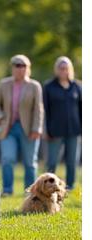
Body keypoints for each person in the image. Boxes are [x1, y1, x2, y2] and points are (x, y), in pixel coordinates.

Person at [0, 54, 44, 196]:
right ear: (12, 68)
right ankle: (7, 190)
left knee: (29, 162)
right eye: (17, 65)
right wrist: (0, 117)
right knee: (7, 158)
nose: (20, 68)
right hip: (8, 128)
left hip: (28, 128)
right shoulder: (4, 84)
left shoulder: (34, 86)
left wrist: (37, 128)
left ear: (28, 68)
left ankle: (30, 191)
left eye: (23, 66)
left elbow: (39, 109)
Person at [43, 56, 81, 190]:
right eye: (61, 68)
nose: (63, 71)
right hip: (54, 131)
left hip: (74, 130)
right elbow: (45, 110)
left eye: (66, 68)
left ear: (70, 69)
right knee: (52, 161)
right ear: (56, 70)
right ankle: (47, 186)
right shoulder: (48, 87)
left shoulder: (77, 86)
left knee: (72, 161)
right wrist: (46, 130)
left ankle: (69, 186)